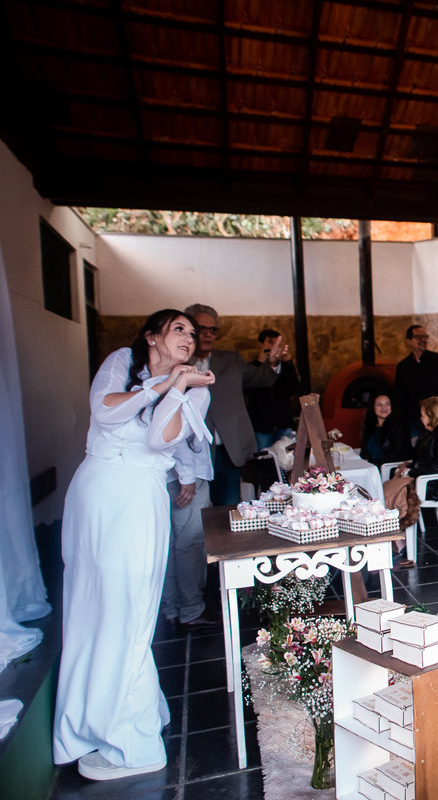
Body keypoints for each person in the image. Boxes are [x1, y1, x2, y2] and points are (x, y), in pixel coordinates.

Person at [54, 310, 214, 781]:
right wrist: (157, 385)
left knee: (125, 610)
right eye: (178, 329)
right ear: (151, 336)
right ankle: (110, 717)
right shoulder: (122, 361)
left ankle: (134, 742)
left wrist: (180, 387)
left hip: (136, 499)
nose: (189, 338)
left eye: (193, 332)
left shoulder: (197, 388)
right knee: (90, 607)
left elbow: (157, 436)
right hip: (93, 491)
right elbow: (103, 410)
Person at [185, 304, 284, 506]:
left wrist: (272, 362)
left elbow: (259, 379)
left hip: (227, 449)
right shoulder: (178, 363)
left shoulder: (230, 360)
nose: (207, 334)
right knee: (195, 511)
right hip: (191, 452)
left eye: (212, 330)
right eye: (201, 329)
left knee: (227, 507)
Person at [162, 424, 218, 631]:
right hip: (184, 475)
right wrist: (187, 476)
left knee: (169, 546)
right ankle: (191, 610)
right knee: (189, 543)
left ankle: (173, 608)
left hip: (163, 473)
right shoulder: (182, 391)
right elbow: (179, 431)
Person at [394, 324, 438, 441]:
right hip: (414, 420)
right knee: (417, 449)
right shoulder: (403, 366)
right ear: (408, 341)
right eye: (418, 337)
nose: (423, 340)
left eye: (425, 336)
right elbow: (399, 395)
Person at [245, 328, 301, 451]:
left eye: (278, 343)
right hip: (261, 425)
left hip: (283, 422)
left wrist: (288, 363)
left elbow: (295, 389)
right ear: (261, 344)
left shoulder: (283, 367)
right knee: (264, 461)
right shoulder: (251, 368)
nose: (275, 346)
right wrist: (261, 363)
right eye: (270, 342)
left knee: (287, 460)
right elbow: (248, 390)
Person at [395, 396, 438, 500]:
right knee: (391, 485)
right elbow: (424, 460)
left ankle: (400, 515)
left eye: (423, 415)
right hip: (427, 479)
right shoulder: (430, 433)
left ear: (433, 416)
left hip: (437, 485)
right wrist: (408, 468)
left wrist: (410, 472)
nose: (421, 418)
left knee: (394, 490)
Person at [361, 391, 412, 466]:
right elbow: (364, 451)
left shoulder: (399, 425)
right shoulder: (370, 425)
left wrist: (372, 462)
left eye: (387, 404)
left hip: (387, 468)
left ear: (391, 406)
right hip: (370, 466)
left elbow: (399, 455)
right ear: (373, 407)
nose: (384, 408)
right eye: (379, 405)